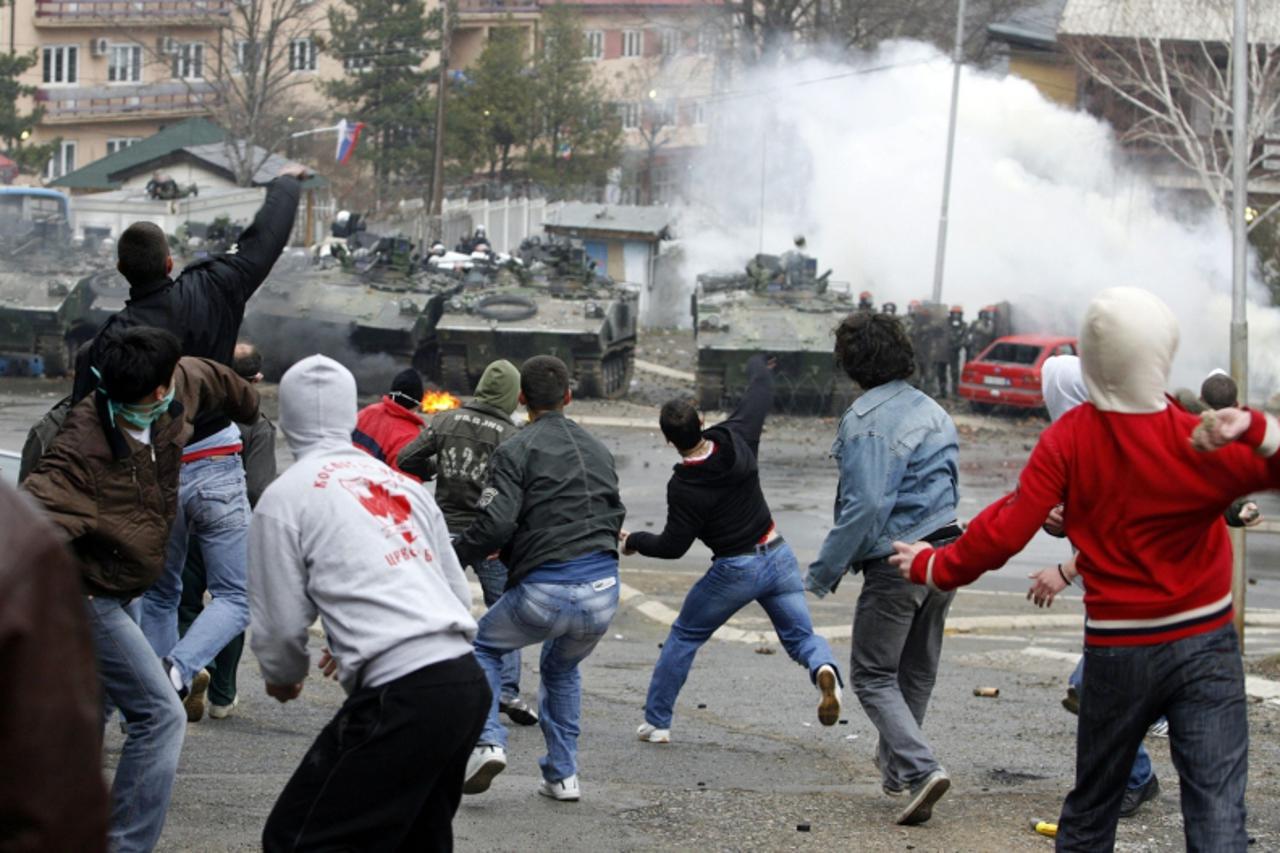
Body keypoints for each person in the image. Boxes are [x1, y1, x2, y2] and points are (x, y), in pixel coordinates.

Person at [890, 287, 1279, 851]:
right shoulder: (1192, 437)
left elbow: (1007, 528)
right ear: (1161, 356)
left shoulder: (1069, 438)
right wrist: (1256, 428)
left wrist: (934, 566)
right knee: (1218, 809)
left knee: (1093, 806)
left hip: (1118, 651)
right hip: (1206, 646)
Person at [72, 164, 303, 705]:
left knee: (160, 594)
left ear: (121, 271)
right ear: (170, 262)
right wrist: (286, 186)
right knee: (237, 595)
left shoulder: (113, 339)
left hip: (155, 475)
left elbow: (83, 422)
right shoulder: (215, 287)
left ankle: (151, 696)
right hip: (218, 460)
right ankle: (177, 670)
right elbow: (262, 242)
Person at [23, 326, 259, 853]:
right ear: (150, 394)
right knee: (159, 717)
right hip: (86, 596)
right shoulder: (79, 455)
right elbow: (25, 533)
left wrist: (248, 405)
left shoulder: (176, 385)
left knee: (95, 709)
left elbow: (216, 378)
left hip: (122, 585)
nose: (173, 390)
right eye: (164, 389)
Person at [247, 355, 487, 852]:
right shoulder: (400, 484)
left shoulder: (285, 496)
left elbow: (281, 624)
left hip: (401, 694)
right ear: (350, 415)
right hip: (464, 682)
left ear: (287, 418)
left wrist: (284, 675)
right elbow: (454, 592)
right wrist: (365, 633)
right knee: (417, 839)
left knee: (298, 837)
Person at [621, 354, 842, 744]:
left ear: (669, 440)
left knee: (685, 636)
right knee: (800, 638)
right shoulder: (736, 436)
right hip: (778, 555)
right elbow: (759, 393)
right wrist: (759, 365)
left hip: (736, 570)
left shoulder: (684, 486)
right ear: (703, 422)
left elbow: (673, 546)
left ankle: (657, 723)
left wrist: (634, 541)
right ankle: (825, 670)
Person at [805, 311, 960, 827]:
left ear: (851, 361)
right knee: (915, 670)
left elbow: (867, 505)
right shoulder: (933, 410)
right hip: (945, 555)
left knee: (872, 675)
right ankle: (900, 772)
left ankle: (919, 769)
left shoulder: (867, 418)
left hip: (898, 561)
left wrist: (823, 571)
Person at [453, 355, 625, 803]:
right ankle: (563, 776)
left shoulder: (516, 448)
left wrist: (451, 558)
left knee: (483, 646)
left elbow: (493, 525)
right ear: (568, 396)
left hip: (545, 590)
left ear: (522, 399)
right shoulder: (598, 449)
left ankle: (489, 742)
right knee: (562, 668)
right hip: (604, 593)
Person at [1024, 355, 1161, 820]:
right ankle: (1136, 774)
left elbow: (1124, 533)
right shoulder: (1080, 441)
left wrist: (1064, 571)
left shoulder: (1117, 445)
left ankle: (1137, 778)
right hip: (1109, 595)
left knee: (1095, 687)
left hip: (1140, 593)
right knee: (1107, 689)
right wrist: (1056, 520)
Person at [397, 359, 539, 727]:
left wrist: (440, 469)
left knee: (435, 606)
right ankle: (507, 690)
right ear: (511, 395)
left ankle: (427, 681)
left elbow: (406, 458)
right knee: (506, 609)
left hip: (445, 533)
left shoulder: (447, 420)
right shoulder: (513, 435)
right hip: (491, 536)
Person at [0, 481, 109, 852]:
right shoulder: (19, 540)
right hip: (103, 587)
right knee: (160, 713)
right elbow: (55, 800)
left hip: (119, 583)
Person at [177, 341, 278, 721]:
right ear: (257, 379)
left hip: (184, 519)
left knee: (183, 602)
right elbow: (258, 488)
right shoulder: (257, 424)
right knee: (232, 600)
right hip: (231, 522)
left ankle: (187, 667)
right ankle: (222, 693)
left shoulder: (196, 408)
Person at [352, 368, 425, 478]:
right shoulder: (410, 436)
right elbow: (405, 486)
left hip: (345, 483)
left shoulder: (368, 412)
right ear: (418, 404)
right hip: (373, 493)